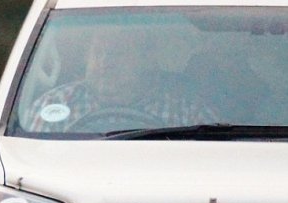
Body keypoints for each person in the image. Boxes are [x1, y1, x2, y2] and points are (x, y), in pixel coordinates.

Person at [24, 28, 216, 133]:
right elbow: (27, 164)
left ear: (146, 61)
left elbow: (211, 163)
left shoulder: (186, 112)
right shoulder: (54, 106)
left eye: (118, 53)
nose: (105, 63)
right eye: (97, 53)